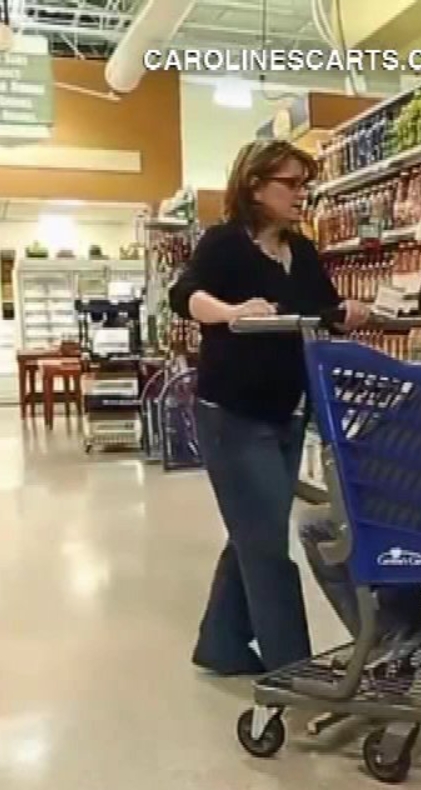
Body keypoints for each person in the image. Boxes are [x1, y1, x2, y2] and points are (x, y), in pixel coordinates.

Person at [170, 139, 371, 675]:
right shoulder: (225, 244)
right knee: (264, 543)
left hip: (288, 410)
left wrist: (344, 313)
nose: (302, 194)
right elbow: (185, 294)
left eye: (306, 184)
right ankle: (293, 666)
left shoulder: (300, 251)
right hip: (233, 414)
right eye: (292, 184)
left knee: (252, 529)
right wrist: (232, 311)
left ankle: (221, 643)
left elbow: (317, 308)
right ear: (255, 187)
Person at [297, 248, 421, 642]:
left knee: (319, 525)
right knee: (394, 512)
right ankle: (414, 634)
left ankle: (386, 645)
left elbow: (415, 458)